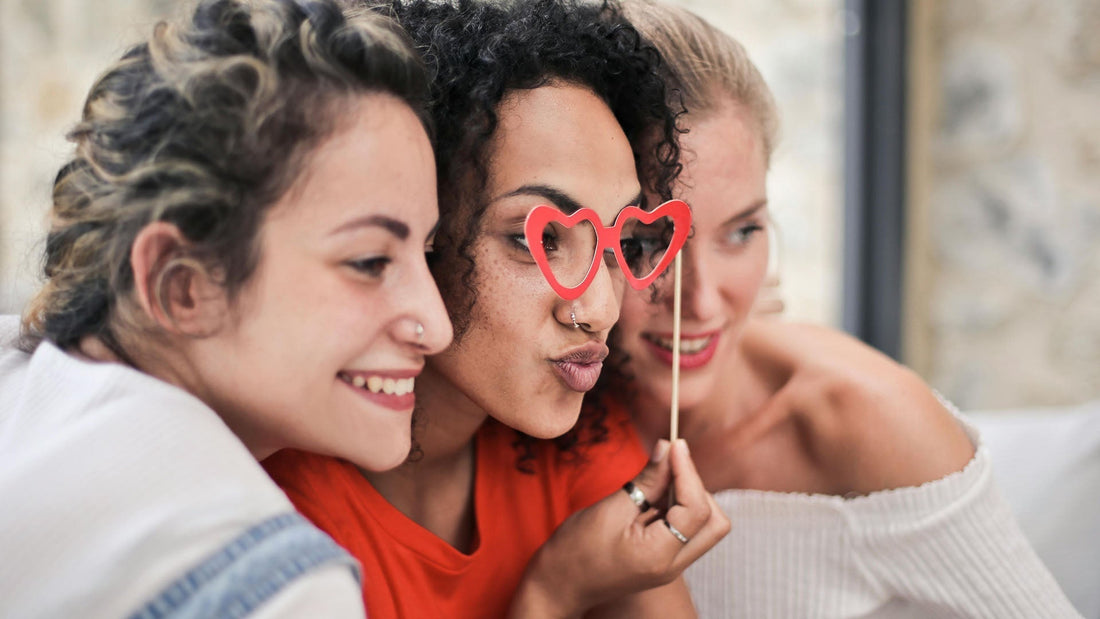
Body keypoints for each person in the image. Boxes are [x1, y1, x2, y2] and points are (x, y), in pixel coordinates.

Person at [613, 1, 1082, 617]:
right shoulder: (538, 418)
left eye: (742, 231)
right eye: (645, 242)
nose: (701, 301)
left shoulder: (869, 422)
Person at [262, 0, 729, 616]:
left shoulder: (578, 444)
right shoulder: (282, 519)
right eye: (538, 240)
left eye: (620, 242)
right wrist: (553, 591)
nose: (598, 310)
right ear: (418, 231)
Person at [0, 0, 453, 616]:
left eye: (427, 253)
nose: (437, 326)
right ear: (182, 285)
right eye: (370, 262)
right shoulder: (276, 585)